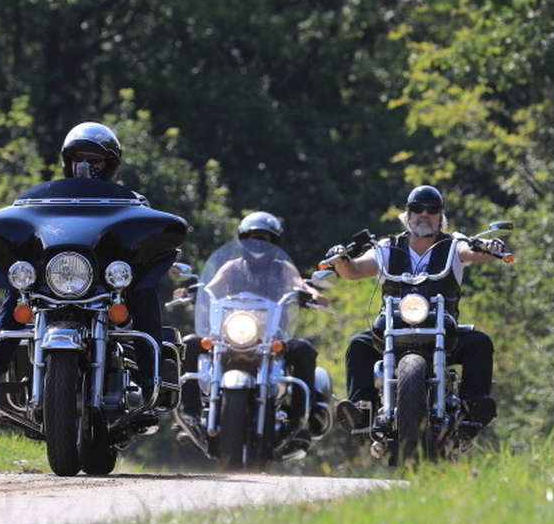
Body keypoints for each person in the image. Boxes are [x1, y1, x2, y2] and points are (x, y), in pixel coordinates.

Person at [0, 121, 162, 387]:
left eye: (95, 160)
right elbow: (29, 226)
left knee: (143, 289)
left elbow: (143, 237)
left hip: (103, 282)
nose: (85, 166)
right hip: (56, 277)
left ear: (110, 164)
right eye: (78, 159)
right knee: (17, 291)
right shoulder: (46, 200)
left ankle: (151, 374)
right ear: (67, 162)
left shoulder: (131, 202)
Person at [320, 184, 506, 430]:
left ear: (441, 217)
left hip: (443, 330)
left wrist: (489, 248)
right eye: (417, 209)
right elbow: (354, 270)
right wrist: (341, 258)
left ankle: (473, 406)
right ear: (407, 215)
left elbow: (470, 251)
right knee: (358, 345)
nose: (424, 215)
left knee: (479, 343)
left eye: (432, 210)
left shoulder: (453, 244)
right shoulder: (387, 247)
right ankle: (361, 408)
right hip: (392, 328)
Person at [178, 211, 322, 432]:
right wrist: (192, 293)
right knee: (189, 343)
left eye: (263, 238)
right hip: (231, 333)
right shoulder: (233, 267)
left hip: (271, 336)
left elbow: (298, 283)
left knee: (304, 350)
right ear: (243, 240)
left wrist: (310, 293)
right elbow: (211, 288)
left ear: (274, 242)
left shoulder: (282, 268)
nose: (257, 244)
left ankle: (300, 419)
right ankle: (190, 413)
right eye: (252, 237)